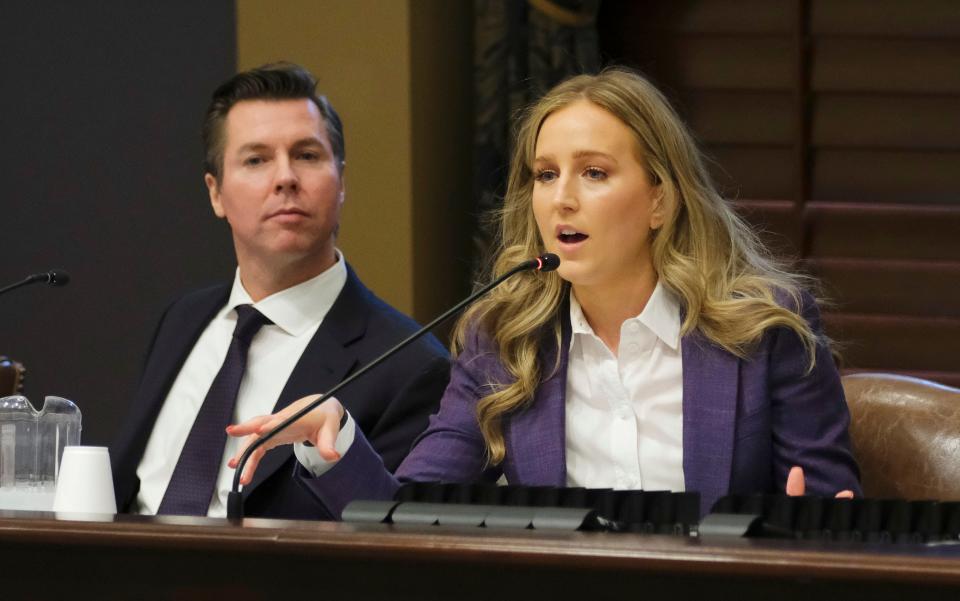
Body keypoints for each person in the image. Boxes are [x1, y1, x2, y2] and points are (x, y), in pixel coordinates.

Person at [227, 68, 860, 518]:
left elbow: (835, 511)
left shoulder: (764, 329)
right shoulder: (502, 341)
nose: (562, 198)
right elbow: (407, 516)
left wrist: (806, 538)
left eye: (594, 173)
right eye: (545, 174)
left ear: (660, 200)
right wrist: (334, 437)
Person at [111, 63, 449, 520]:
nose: (285, 177)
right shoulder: (183, 319)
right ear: (216, 193)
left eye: (307, 155)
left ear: (342, 181)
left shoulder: (408, 363)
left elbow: (395, 544)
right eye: (256, 160)